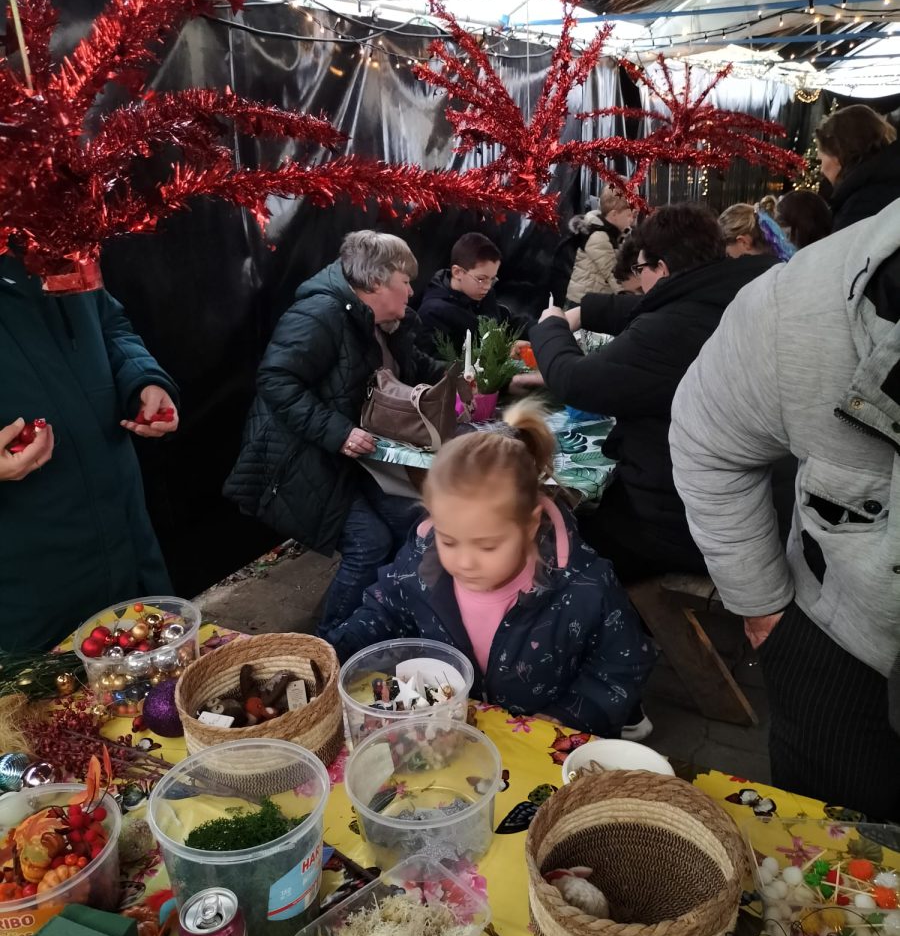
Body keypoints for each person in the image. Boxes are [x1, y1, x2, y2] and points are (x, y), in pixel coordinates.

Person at [670, 200, 900, 818]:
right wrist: (762, 605)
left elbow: (591, 380)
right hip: (841, 633)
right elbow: (705, 437)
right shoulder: (797, 302)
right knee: (825, 848)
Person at [327, 403, 656, 737]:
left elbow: (621, 666)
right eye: (448, 539)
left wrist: (568, 717)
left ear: (530, 526)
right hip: (454, 731)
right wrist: (334, 651)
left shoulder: (585, 587)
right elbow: (384, 610)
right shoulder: (421, 562)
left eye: (487, 546)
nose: (464, 562)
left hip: (538, 739)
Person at [529, 203, 778, 583]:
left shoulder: (672, 330)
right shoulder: (736, 293)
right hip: (751, 503)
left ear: (661, 268)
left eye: (640, 269)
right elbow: (653, 303)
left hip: (683, 522)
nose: (639, 279)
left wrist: (551, 326)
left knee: (560, 538)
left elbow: (575, 381)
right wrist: (585, 311)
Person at [225, 231, 443, 630]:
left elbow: (414, 365)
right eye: (406, 281)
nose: (412, 291)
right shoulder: (320, 314)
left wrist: (458, 378)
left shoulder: (380, 322)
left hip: (349, 459)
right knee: (369, 543)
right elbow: (275, 380)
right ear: (376, 281)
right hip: (297, 461)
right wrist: (339, 433)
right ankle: (330, 643)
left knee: (411, 521)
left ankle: (375, 617)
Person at [1, 253, 178, 653]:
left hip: (129, 550)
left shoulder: (59, 243)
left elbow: (110, 324)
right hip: (32, 596)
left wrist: (142, 380)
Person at [416, 233, 519, 355]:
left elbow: (505, 321)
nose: (487, 286)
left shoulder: (483, 293)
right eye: (481, 279)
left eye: (492, 279)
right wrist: (504, 351)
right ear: (457, 272)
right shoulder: (432, 314)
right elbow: (438, 362)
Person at [816, 104, 900, 231]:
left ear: (838, 153)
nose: (822, 169)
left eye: (821, 159)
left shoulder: (860, 206)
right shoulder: (886, 181)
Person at [566, 187, 635, 304]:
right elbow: (612, 272)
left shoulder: (616, 232)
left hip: (597, 298)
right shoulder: (598, 236)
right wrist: (628, 297)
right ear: (614, 215)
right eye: (629, 215)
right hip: (582, 301)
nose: (632, 219)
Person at [719, 204, 794, 261]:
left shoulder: (746, 274)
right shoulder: (783, 264)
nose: (727, 259)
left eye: (728, 254)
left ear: (744, 242)